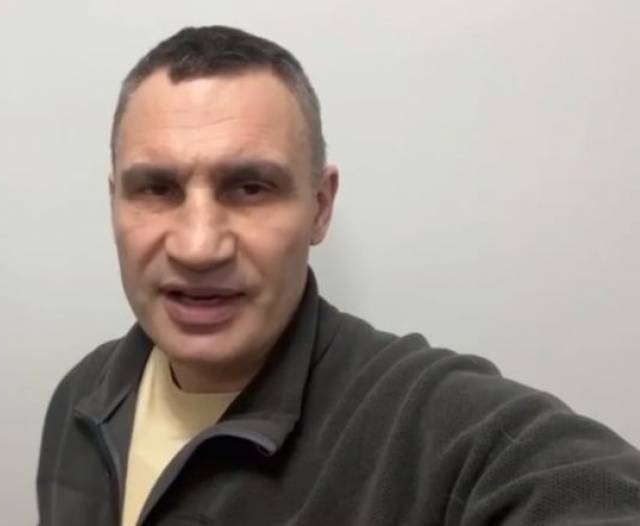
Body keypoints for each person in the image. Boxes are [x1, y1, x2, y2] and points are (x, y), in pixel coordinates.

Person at [35, 25, 640, 525]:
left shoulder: (425, 425)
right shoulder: (82, 398)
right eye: (156, 188)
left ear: (320, 207)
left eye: (250, 187)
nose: (198, 246)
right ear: (114, 204)